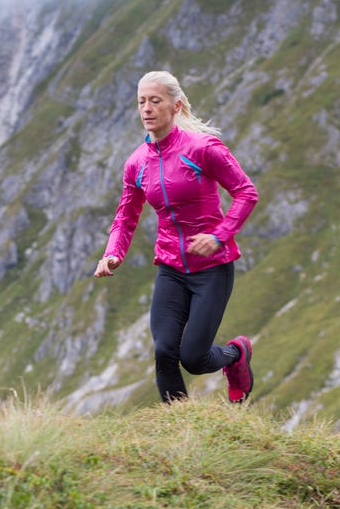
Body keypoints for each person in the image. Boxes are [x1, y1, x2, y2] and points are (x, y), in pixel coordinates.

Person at [94, 71, 259, 403]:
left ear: (176, 106)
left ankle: (236, 355)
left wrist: (218, 235)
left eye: (155, 101)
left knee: (194, 358)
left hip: (212, 267)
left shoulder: (203, 149)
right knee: (165, 350)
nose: (147, 109)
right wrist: (113, 253)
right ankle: (179, 428)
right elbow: (125, 217)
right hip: (170, 267)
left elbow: (246, 193)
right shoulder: (136, 163)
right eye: (141, 101)